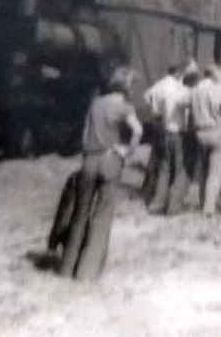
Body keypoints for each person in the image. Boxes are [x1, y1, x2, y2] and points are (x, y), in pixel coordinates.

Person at [58, 67, 143, 281]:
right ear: (126, 85)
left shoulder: (95, 103)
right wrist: (127, 150)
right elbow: (138, 130)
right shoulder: (125, 107)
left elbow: (84, 134)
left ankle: (67, 268)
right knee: (102, 216)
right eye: (132, 85)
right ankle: (87, 272)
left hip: (89, 160)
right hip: (110, 160)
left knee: (80, 214)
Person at [144, 62, 193, 215]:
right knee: (180, 170)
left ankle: (157, 203)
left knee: (164, 169)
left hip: (163, 130)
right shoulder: (180, 89)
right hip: (178, 131)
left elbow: (147, 96)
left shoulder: (159, 86)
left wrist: (156, 111)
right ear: (179, 73)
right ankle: (174, 206)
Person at [191, 65, 221, 216]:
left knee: (203, 170)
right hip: (217, 132)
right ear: (214, 75)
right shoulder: (219, 90)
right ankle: (209, 208)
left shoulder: (195, 90)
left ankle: (202, 201)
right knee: (215, 173)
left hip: (199, 133)